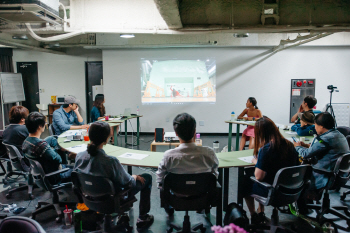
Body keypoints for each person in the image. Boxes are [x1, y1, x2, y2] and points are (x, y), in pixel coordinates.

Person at [73, 121, 154, 229]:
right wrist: (134, 176)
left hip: (89, 198)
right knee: (147, 177)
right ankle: (143, 218)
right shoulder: (110, 161)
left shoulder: (79, 156)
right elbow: (128, 182)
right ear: (106, 139)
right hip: (113, 199)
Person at [156, 113, 219, 215]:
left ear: (176, 133)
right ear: (195, 132)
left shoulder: (168, 156)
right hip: (202, 195)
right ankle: (200, 207)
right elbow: (214, 174)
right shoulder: (209, 153)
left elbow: (160, 178)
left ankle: (170, 210)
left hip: (175, 196)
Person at [243, 116, 299, 224]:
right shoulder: (290, 145)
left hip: (273, 192)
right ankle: (261, 211)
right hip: (292, 189)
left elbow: (259, 177)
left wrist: (256, 162)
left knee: (245, 182)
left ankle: (254, 215)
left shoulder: (266, 150)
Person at [294, 112, 349, 191]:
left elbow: (306, 154)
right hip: (340, 175)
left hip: (323, 175)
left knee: (297, 173)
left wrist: (297, 146)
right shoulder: (339, 134)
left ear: (321, 126)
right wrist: (307, 146)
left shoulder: (325, 139)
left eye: (315, 125)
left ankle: (306, 197)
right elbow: (324, 148)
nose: (315, 127)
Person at [22, 112, 73, 185]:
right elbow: (59, 159)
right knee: (78, 170)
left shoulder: (25, 141)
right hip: (53, 175)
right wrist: (54, 150)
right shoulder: (41, 145)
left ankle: (62, 149)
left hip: (41, 173)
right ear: (40, 126)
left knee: (51, 139)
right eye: (44, 123)